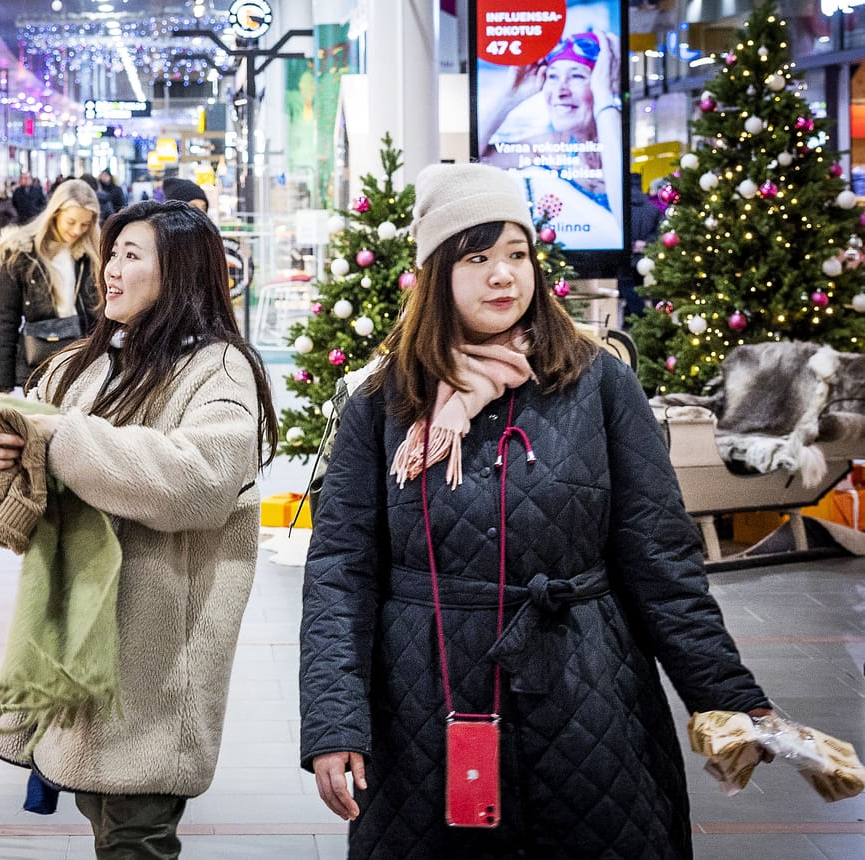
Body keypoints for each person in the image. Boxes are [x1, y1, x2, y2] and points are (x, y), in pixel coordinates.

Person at [299, 162, 772, 857]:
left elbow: (660, 559)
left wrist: (726, 693)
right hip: (423, 701)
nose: (503, 276)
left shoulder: (597, 381)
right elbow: (340, 572)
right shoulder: (384, 403)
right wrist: (334, 723)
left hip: (591, 695)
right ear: (436, 274)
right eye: (478, 257)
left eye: (516, 254)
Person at [0, 200, 279, 858]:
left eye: (132, 255)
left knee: (135, 833)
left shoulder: (218, 370)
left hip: (155, 660)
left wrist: (63, 442)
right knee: (108, 821)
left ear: (183, 272)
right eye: (113, 253)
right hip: (81, 646)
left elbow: (194, 481)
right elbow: (25, 457)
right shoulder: (87, 362)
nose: (111, 269)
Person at [478, 30, 623, 249]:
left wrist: (605, 96)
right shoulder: (547, 147)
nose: (560, 91)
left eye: (577, 76)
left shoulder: (622, 145)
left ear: (603, 82)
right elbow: (475, 160)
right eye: (553, 76)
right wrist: (510, 97)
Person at [0, 179, 102, 394]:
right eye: (71, 222)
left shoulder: (93, 255)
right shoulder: (20, 252)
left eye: (85, 224)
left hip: (82, 364)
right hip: (38, 365)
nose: (77, 230)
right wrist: (2, 384)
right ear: (55, 213)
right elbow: (7, 319)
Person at [622, 171, 665, 317]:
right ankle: (632, 318)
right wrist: (645, 244)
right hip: (644, 259)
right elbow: (660, 233)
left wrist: (632, 244)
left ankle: (638, 317)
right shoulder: (652, 209)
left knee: (627, 288)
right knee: (639, 287)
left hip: (625, 257)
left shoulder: (622, 209)